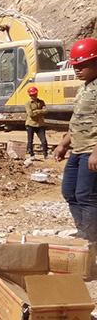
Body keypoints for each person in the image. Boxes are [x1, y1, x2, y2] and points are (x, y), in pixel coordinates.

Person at [54, 38, 97, 242]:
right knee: (69, 192)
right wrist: (64, 143)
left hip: (92, 150)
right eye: (75, 66)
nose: (77, 70)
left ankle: (91, 239)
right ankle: (84, 233)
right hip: (78, 149)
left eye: (82, 66)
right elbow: (79, 121)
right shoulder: (85, 88)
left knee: (86, 195)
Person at [25, 86, 48, 158]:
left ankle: (45, 154)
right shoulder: (28, 103)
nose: (33, 96)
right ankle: (31, 154)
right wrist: (40, 111)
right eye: (31, 95)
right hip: (30, 124)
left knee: (43, 140)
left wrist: (36, 111)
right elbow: (30, 114)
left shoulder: (41, 102)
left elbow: (46, 111)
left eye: (34, 94)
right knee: (30, 141)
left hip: (40, 124)